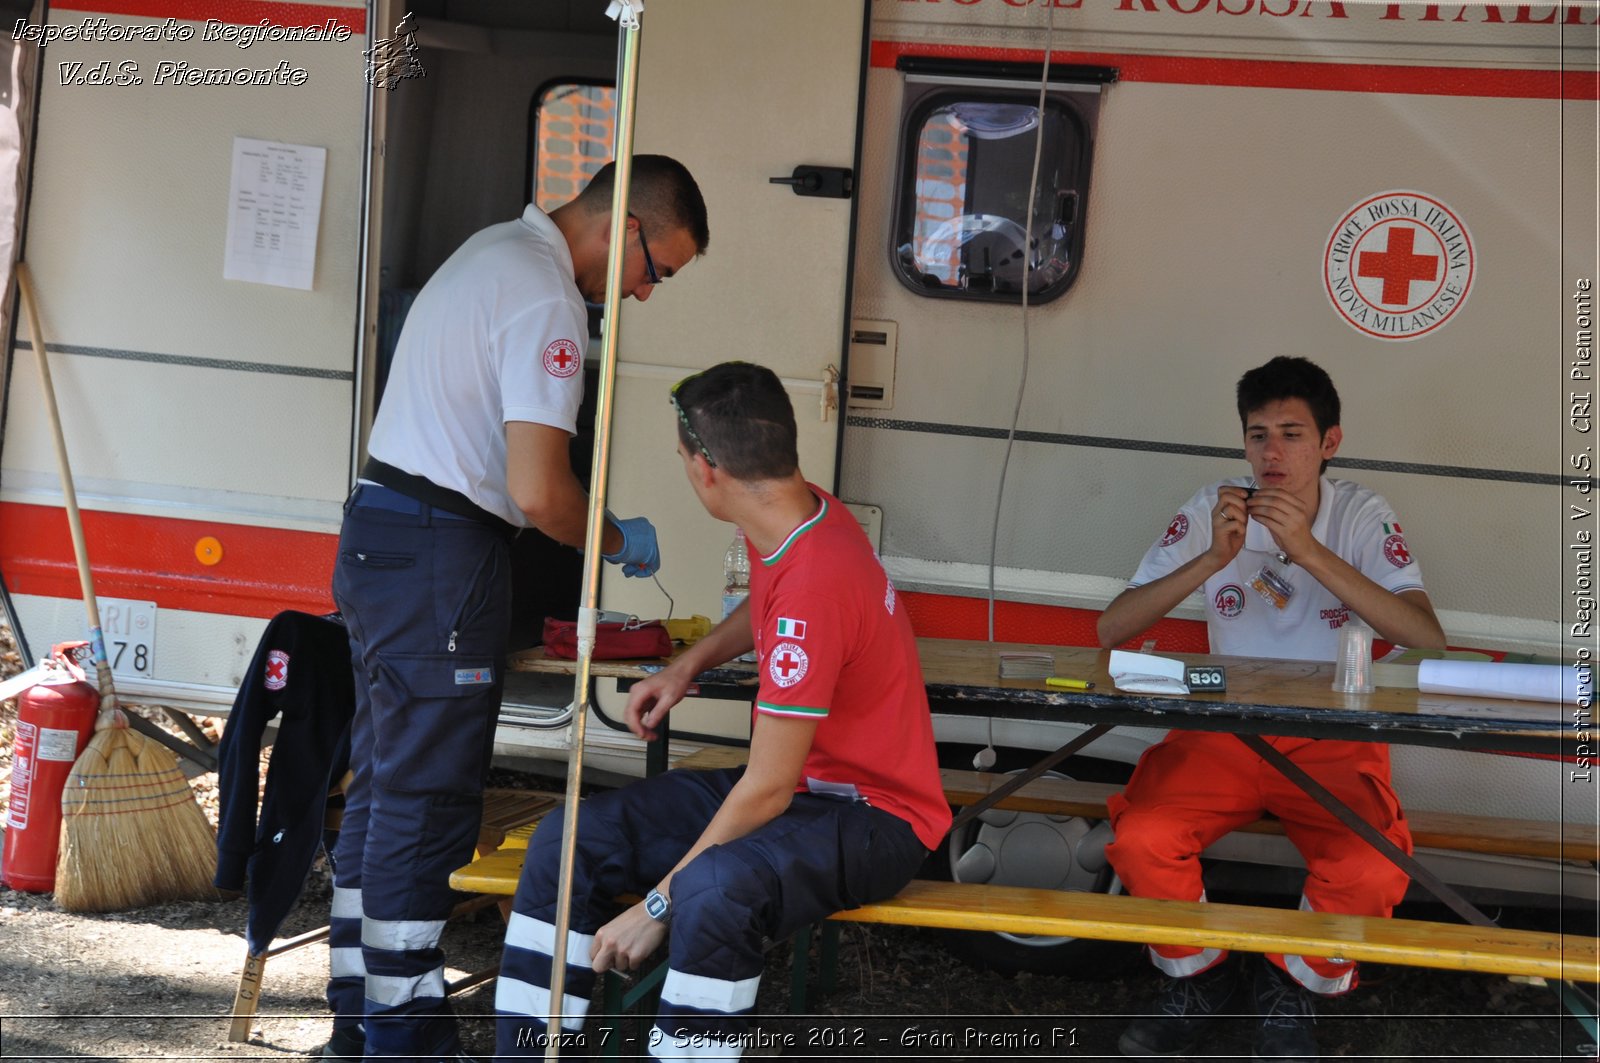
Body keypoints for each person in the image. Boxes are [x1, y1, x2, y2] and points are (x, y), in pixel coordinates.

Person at [323, 156, 709, 1063]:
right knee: (424, 804)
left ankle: (359, 1018)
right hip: (439, 553)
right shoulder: (547, 300)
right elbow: (539, 491)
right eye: (658, 271)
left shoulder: (490, 248)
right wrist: (611, 537)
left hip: (379, 531)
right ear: (624, 228)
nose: (647, 294)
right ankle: (406, 1039)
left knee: (380, 789)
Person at [492, 361, 952, 1059]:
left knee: (713, 888)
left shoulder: (816, 582)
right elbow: (766, 604)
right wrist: (686, 664)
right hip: (805, 789)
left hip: (878, 815)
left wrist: (654, 906)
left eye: (681, 458)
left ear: (706, 470)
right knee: (568, 838)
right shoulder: (801, 511)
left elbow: (765, 788)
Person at [1095, 356, 1446, 1062]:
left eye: (1292, 433)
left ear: (1330, 441)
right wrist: (1211, 558)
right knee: (1142, 837)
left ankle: (1291, 979)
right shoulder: (1214, 506)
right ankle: (1201, 976)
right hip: (1224, 727)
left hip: (1333, 732)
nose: (1272, 453)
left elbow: (1424, 634)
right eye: (1258, 435)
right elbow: (1111, 629)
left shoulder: (1360, 512)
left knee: (1373, 867)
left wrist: (1308, 550)